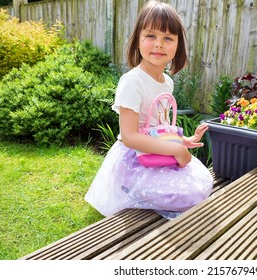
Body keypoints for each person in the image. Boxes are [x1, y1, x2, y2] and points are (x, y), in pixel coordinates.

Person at [85, 0, 213, 220]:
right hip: (135, 159)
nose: (159, 44)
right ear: (138, 40)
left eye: (168, 38)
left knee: (201, 184)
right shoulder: (132, 82)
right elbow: (130, 137)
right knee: (186, 193)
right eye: (151, 36)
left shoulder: (167, 82)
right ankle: (132, 190)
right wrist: (175, 151)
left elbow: (158, 127)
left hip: (158, 150)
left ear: (178, 46)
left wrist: (182, 142)